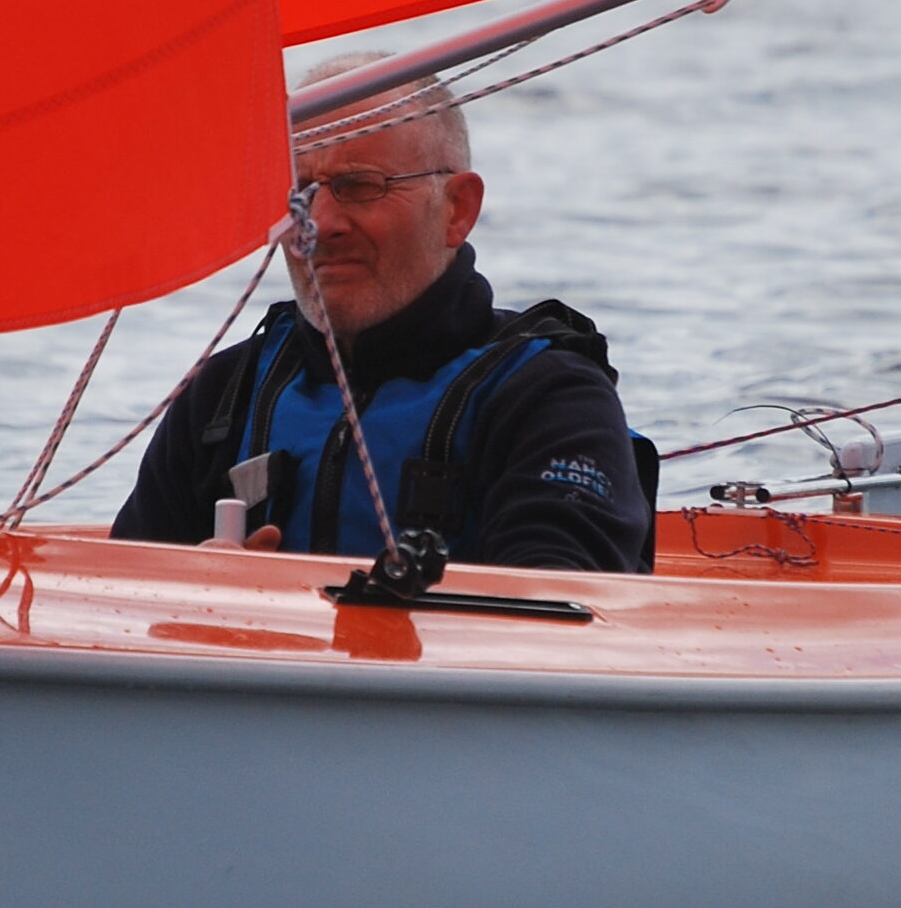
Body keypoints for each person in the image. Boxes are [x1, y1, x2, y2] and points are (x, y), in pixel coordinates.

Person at [113, 68, 653, 572]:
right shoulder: (224, 397)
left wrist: (318, 604)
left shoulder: (551, 399)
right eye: (298, 194)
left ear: (457, 209)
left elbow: (560, 612)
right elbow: (121, 603)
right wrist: (193, 594)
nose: (319, 224)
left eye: (360, 186)